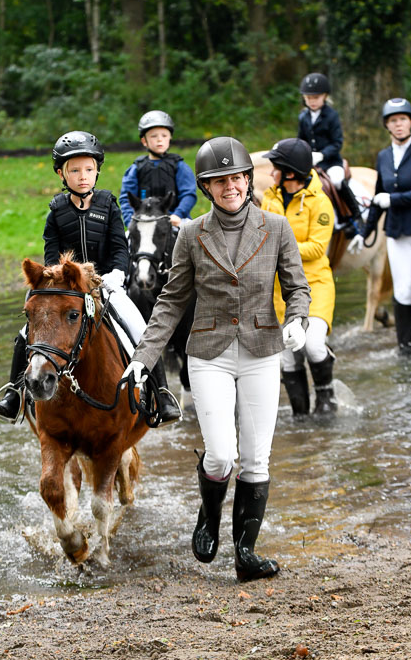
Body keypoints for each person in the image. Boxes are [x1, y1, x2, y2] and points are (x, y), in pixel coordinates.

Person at [121, 136, 311, 582]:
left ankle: (246, 553)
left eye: (237, 178)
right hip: (209, 354)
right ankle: (209, 517)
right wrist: (142, 358)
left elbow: (297, 286)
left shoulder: (276, 227)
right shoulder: (190, 233)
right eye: (220, 181)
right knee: (222, 455)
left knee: (256, 459)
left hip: (263, 350)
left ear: (248, 179)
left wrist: (299, 319)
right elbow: (170, 302)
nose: (231, 187)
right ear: (207, 188)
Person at [0, 130, 181, 424]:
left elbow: (120, 247)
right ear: (61, 174)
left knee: (139, 326)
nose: (82, 176)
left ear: (97, 172)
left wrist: (117, 274)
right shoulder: (56, 211)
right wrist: (56, 279)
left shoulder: (108, 205)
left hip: (106, 282)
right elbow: (51, 252)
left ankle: (162, 394)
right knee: (26, 333)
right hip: (66, 287)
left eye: (89, 169)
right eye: (75, 170)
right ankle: (14, 394)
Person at [261, 138, 336, 414]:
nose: (271, 173)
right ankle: (301, 416)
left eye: (275, 167)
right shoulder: (269, 199)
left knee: (313, 345)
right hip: (279, 293)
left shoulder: (321, 203)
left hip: (315, 285)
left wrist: (279, 246)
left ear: (290, 173)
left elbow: (317, 248)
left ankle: (327, 399)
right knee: (289, 357)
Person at [348, 98, 411, 356]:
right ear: (387, 126)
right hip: (397, 231)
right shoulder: (383, 156)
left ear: (410, 122)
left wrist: (395, 199)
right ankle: (405, 349)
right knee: (402, 289)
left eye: (402, 119)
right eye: (393, 121)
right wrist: (363, 233)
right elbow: (378, 197)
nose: (398, 125)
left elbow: (390, 198)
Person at [298, 72, 363, 233]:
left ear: (325, 96)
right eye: (309, 98)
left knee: (337, 181)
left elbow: (337, 143)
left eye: (316, 97)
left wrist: (322, 155)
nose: (312, 101)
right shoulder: (303, 117)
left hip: (330, 161)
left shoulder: (332, 116)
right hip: (310, 162)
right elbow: (301, 139)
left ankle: (353, 215)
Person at [119, 110, 197, 229]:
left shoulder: (179, 166)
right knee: (127, 243)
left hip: (174, 220)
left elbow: (189, 194)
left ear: (170, 138)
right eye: (154, 136)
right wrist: (131, 221)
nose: (159, 139)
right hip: (144, 221)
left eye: (164, 136)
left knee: (194, 241)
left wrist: (178, 214)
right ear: (144, 141)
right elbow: (126, 197)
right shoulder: (136, 168)